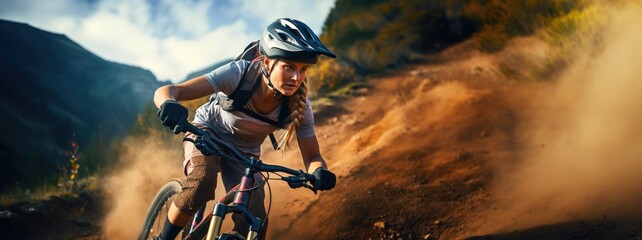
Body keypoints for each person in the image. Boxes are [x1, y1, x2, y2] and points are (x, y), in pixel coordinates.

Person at [153, 18, 337, 240]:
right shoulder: (239, 74)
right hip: (207, 134)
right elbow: (169, 90)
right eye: (289, 67)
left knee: (255, 217)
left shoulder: (300, 106)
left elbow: (313, 156)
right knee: (202, 182)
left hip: (244, 154)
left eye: (303, 69)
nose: (296, 78)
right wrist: (168, 104)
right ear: (267, 63)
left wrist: (319, 171)